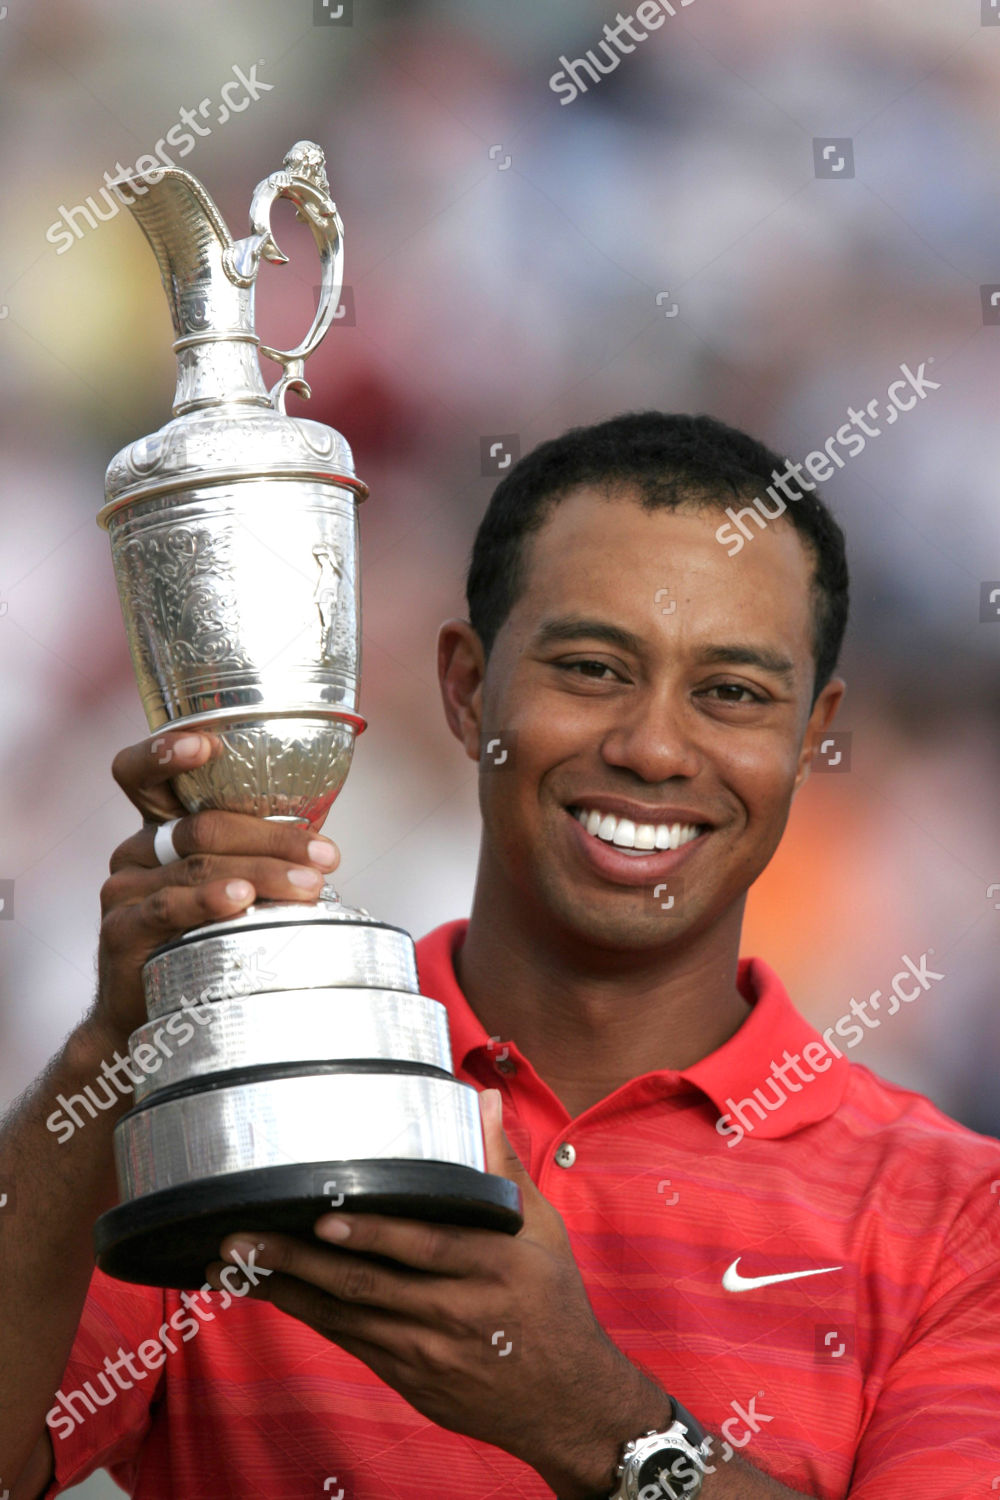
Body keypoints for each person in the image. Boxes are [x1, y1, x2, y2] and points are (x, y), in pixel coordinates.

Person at [2, 411, 998, 1500]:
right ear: (468, 689)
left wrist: (593, 1424)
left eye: (732, 694)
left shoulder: (962, 1220)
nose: (653, 747)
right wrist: (117, 1044)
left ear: (813, 736)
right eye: (590, 668)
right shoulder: (243, 1091)